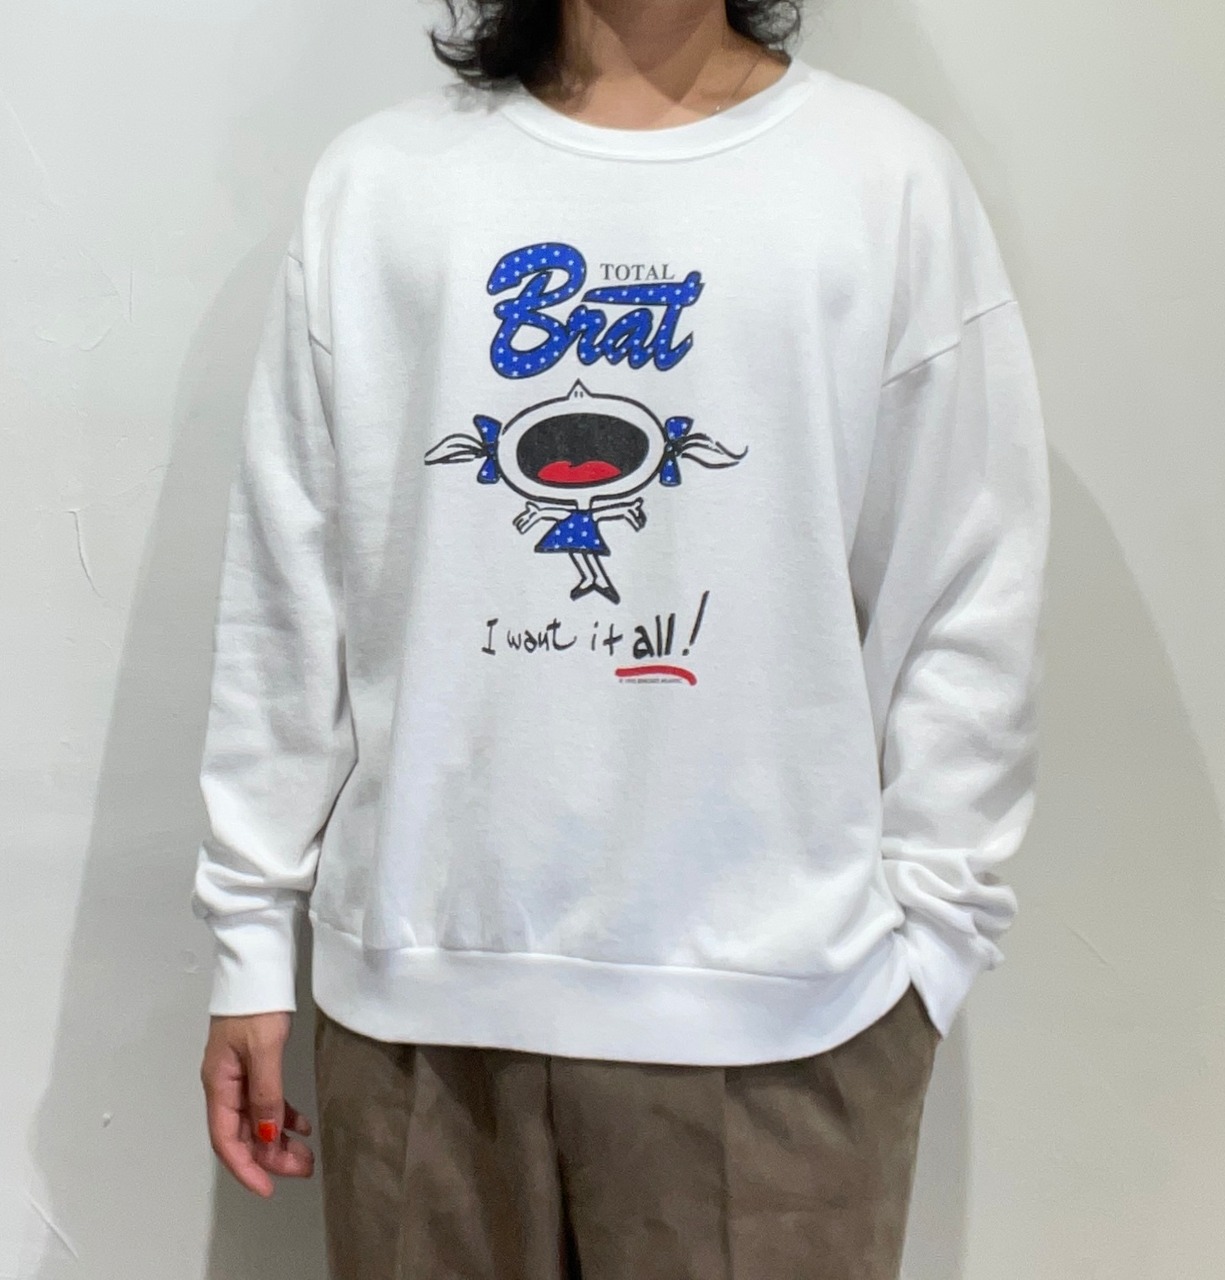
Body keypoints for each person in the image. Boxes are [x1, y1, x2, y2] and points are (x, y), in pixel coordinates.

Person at [192, 0, 1051, 1275]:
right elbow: (291, 578)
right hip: (421, 1017)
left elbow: (967, 575)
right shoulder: (380, 188)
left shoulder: (885, 182)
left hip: (786, 1031)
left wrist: (933, 936)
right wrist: (250, 935)